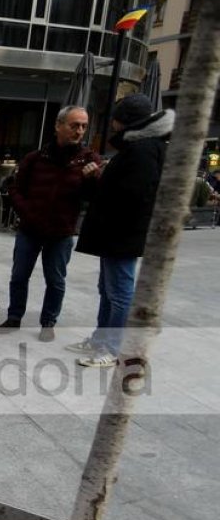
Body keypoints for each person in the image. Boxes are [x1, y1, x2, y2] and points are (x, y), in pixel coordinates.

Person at [68, 94, 174, 368]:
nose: (112, 123)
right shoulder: (139, 147)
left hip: (122, 234)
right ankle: (101, 339)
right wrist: (99, 179)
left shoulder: (143, 150)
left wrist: (101, 179)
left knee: (119, 292)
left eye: (115, 117)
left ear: (125, 120)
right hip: (116, 233)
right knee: (109, 289)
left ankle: (114, 347)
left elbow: (133, 195)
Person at [0, 106, 102, 342]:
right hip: (30, 229)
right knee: (19, 275)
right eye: (74, 125)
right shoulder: (36, 158)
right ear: (58, 126)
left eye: (83, 126)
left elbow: (93, 198)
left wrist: (93, 179)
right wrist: (27, 211)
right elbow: (14, 188)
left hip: (61, 232)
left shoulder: (89, 160)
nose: (79, 131)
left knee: (55, 280)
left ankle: (48, 322)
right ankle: (14, 316)